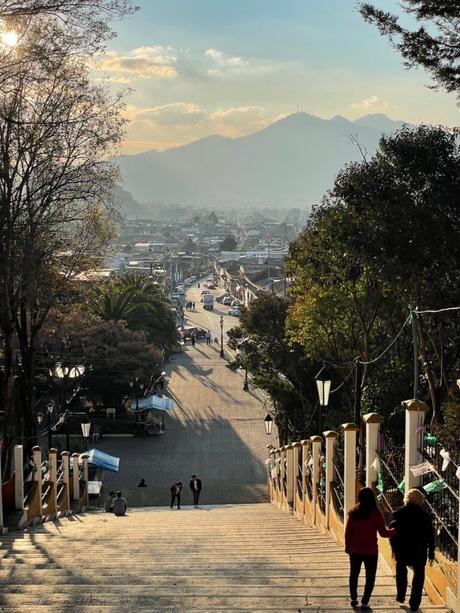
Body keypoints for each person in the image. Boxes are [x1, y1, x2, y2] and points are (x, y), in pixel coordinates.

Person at [345, 487, 396, 609]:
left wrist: (347, 547)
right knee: (370, 577)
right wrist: (396, 531)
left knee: (354, 575)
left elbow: (348, 533)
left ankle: (353, 598)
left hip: (355, 550)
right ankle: (365, 601)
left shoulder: (353, 513)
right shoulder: (376, 514)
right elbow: (383, 533)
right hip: (371, 551)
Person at [390, 488, 435, 612]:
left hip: (402, 549)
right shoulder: (425, 516)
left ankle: (401, 595)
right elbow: (431, 536)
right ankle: (414, 603)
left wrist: (393, 548)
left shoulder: (398, 514)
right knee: (419, 576)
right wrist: (431, 552)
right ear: (420, 500)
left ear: (406, 500)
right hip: (419, 550)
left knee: (401, 572)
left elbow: (392, 531)